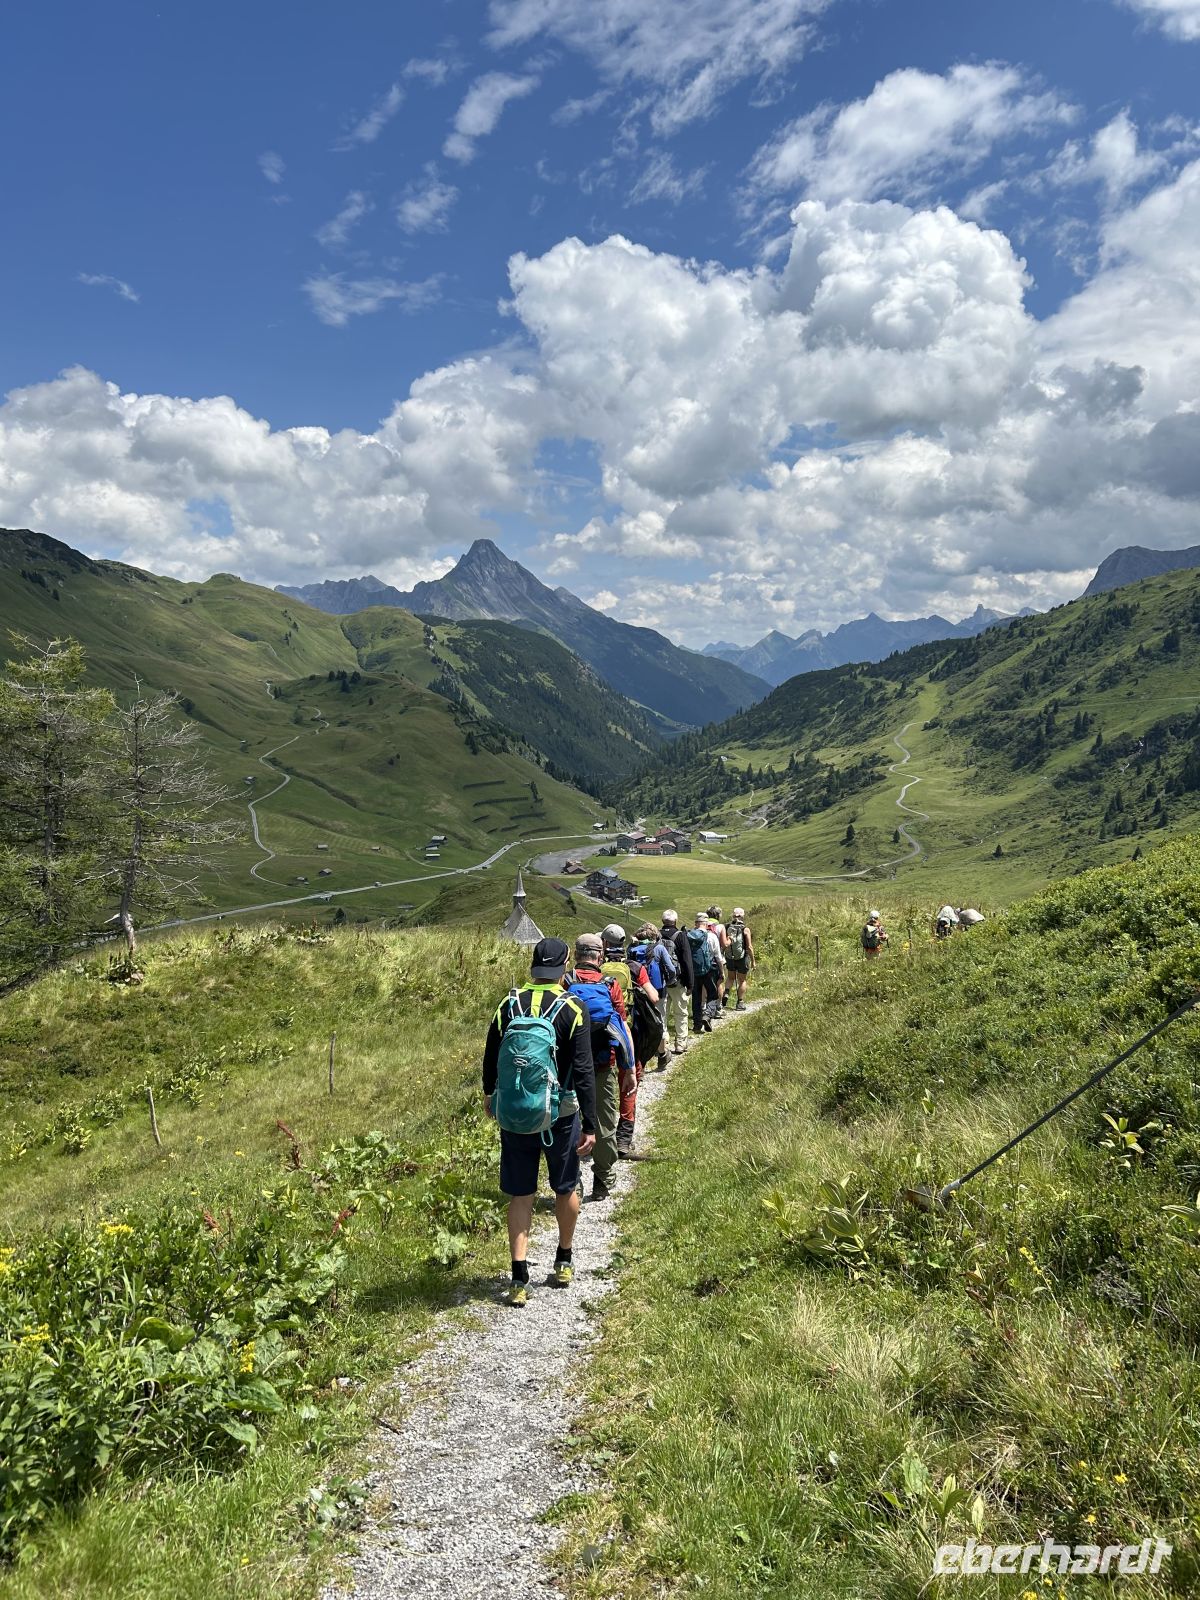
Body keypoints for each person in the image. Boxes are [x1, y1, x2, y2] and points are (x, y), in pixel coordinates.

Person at [481, 936, 596, 1307]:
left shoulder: (508, 1003)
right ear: (564, 968)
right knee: (566, 1187)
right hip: (560, 1118)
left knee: (521, 1193)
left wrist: (489, 1097)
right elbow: (583, 1070)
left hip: (514, 1115)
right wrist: (591, 1124)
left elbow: (490, 1057)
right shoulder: (573, 1008)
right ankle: (563, 1258)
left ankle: (518, 1277)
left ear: (533, 966)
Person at [566, 932, 634, 1202]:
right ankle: (602, 1179)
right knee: (605, 1123)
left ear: (575, 954)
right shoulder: (610, 985)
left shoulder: (565, 982)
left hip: (569, 1068)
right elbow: (621, 1025)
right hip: (604, 1064)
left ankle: (573, 1180)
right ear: (600, 956)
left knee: (570, 1120)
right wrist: (628, 1069)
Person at [600, 923, 659, 1159]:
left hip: (600, 1035)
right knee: (628, 1083)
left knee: (601, 1083)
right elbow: (654, 997)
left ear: (604, 944)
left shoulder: (597, 969)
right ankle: (623, 1140)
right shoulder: (634, 967)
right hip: (628, 1033)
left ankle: (597, 1133)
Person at [628, 920, 676, 1069]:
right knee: (658, 1022)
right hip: (657, 991)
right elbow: (671, 969)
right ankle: (662, 1055)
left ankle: (637, 1061)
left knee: (638, 1025)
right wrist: (669, 981)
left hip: (635, 992)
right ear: (655, 935)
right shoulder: (659, 948)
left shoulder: (631, 949)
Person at [660, 909, 694, 1055]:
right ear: (676, 921)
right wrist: (690, 983)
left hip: (660, 982)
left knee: (662, 1014)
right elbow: (687, 961)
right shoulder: (680, 936)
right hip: (678, 981)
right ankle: (680, 1043)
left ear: (662, 921)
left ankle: (663, 1044)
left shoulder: (657, 935)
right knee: (680, 1013)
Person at [687, 911, 721, 1033]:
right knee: (713, 994)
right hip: (710, 969)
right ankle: (707, 1015)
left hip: (694, 971)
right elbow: (718, 956)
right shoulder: (711, 936)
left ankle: (697, 1025)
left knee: (696, 997)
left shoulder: (689, 936)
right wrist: (721, 972)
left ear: (696, 923)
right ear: (706, 924)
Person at [725, 906, 755, 1008]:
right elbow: (749, 947)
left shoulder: (727, 927)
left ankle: (726, 993)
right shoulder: (745, 929)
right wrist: (753, 961)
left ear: (733, 916)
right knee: (742, 980)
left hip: (729, 957)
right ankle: (740, 1002)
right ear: (742, 916)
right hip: (742, 957)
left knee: (730, 977)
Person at [707, 905, 729, 1011]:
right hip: (718, 958)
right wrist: (730, 940)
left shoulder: (703, 925)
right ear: (718, 915)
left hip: (704, 959)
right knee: (719, 982)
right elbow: (724, 944)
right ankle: (718, 1006)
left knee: (704, 984)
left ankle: (704, 1007)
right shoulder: (720, 927)